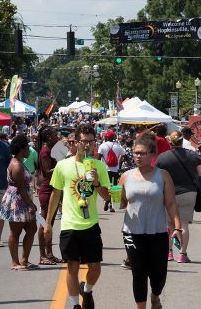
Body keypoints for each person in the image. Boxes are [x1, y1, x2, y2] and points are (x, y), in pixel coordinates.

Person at [44, 123, 111, 309]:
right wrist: (48, 223)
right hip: (69, 224)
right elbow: (55, 194)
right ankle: (74, 304)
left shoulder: (99, 166)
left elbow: (107, 197)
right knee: (72, 267)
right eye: (84, 142)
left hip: (90, 224)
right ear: (76, 142)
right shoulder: (63, 166)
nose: (88, 145)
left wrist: (97, 183)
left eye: (91, 142)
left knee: (95, 267)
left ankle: (87, 290)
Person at [119, 131, 183, 309]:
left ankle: (155, 296)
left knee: (159, 274)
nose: (137, 156)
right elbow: (122, 204)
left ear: (153, 154)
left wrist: (178, 228)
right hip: (132, 232)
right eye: (135, 152)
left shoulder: (162, 176)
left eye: (142, 153)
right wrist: (115, 197)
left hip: (158, 232)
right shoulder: (126, 177)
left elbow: (171, 204)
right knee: (138, 273)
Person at [155, 130, 201, 263]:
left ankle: (169, 253)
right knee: (184, 224)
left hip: (168, 193)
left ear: (169, 142)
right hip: (188, 193)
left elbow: (156, 175)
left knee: (169, 224)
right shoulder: (192, 155)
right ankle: (182, 254)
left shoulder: (162, 157)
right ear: (182, 141)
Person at [0, 134, 39, 270]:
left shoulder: (20, 162)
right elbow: (21, 189)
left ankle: (24, 260)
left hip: (22, 199)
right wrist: (30, 205)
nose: (29, 150)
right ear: (22, 149)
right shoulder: (17, 165)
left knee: (32, 228)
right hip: (17, 201)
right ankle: (14, 262)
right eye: (27, 147)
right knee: (15, 232)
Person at [37, 126, 63, 265]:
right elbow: (48, 171)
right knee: (44, 224)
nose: (57, 136)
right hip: (47, 191)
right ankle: (42, 255)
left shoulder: (51, 150)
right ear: (48, 137)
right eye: (54, 134)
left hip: (53, 189)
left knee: (50, 224)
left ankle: (49, 254)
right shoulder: (45, 151)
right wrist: (63, 164)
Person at [97, 130, 125, 212]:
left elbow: (98, 159)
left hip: (105, 170)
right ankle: (113, 206)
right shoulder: (118, 146)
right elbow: (125, 156)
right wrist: (130, 164)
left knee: (106, 187)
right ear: (113, 138)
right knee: (114, 187)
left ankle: (106, 200)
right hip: (115, 170)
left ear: (106, 137)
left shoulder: (102, 146)